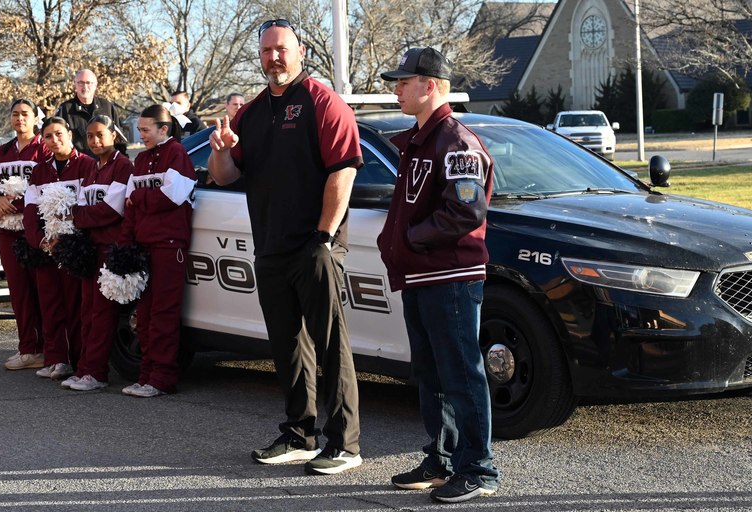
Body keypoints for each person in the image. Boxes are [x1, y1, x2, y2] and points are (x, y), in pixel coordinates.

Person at [207, 18, 364, 475]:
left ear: (299, 53)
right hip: (270, 247)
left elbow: (344, 170)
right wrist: (220, 149)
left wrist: (324, 235)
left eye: (281, 49)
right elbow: (225, 176)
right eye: (265, 51)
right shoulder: (251, 114)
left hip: (315, 246)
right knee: (288, 346)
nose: (273, 57)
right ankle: (299, 434)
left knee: (331, 344)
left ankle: (345, 444)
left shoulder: (322, 102)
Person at [376, 47, 500, 503]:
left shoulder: (456, 140)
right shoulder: (421, 139)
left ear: (430, 85)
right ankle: (442, 458)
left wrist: (410, 240)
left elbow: (465, 210)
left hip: (450, 276)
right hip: (421, 276)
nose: (396, 90)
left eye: (404, 82)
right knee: (430, 373)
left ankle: (478, 467)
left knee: (461, 372)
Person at [118, 104, 196, 398]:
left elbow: (173, 197)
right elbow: (130, 207)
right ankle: (146, 374)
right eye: (139, 130)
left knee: (164, 312)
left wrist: (139, 196)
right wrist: (126, 243)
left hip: (168, 245)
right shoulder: (141, 160)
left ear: (164, 129)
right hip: (144, 245)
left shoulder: (177, 154)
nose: (141, 135)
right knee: (146, 314)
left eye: (146, 130)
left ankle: (163, 377)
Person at [64, 114, 134, 391]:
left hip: (110, 249)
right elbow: (83, 207)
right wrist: (80, 215)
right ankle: (84, 369)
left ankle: (96, 373)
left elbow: (110, 210)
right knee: (87, 311)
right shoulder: (93, 168)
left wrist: (78, 216)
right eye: (90, 136)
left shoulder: (124, 167)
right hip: (90, 250)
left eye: (100, 134)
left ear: (113, 135)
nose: (94, 140)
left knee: (103, 314)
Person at [23, 117, 94, 381]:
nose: (55, 140)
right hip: (46, 249)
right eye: (49, 136)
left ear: (70, 134)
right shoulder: (39, 171)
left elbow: (86, 209)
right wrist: (41, 240)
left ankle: (77, 361)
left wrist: (67, 239)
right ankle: (55, 358)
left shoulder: (87, 165)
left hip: (73, 248)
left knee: (75, 307)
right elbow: (30, 213)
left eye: (59, 134)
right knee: (49, 305)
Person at [0, 99, 50, 370]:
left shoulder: (45, 148)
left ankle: (50, 348)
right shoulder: (2, 151)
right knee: (18, 291)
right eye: (15, 114)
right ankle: (28, 347)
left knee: (42, 291)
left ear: (36, 118)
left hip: (35, 229)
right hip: (8, 230)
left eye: (25, 114)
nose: (20, 119)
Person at [55, 69, 125, 156]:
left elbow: (119, 139)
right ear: (75, 85)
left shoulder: (107, 107)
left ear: (95, 85)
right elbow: (58, 139)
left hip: (106, 165)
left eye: (89, 83)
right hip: (78, 165)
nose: (85, 87)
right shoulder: (65, 109)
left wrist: (121, 160)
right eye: (80, 83)